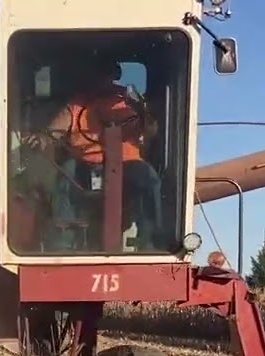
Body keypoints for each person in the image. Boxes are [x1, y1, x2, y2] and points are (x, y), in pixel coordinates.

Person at [32, 57, 167, 252]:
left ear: (115, 76)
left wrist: (143, 111)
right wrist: (43, 139)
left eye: (107, 74)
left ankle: (150, 242)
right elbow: (54, 131)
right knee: (64, 179)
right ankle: (64, 241)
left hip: (126, 162)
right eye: (98, 75)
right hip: (84, 162)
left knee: (148, 179)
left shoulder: (126, 100)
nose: (102, 80)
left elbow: (150, 131)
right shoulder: (77, 104)